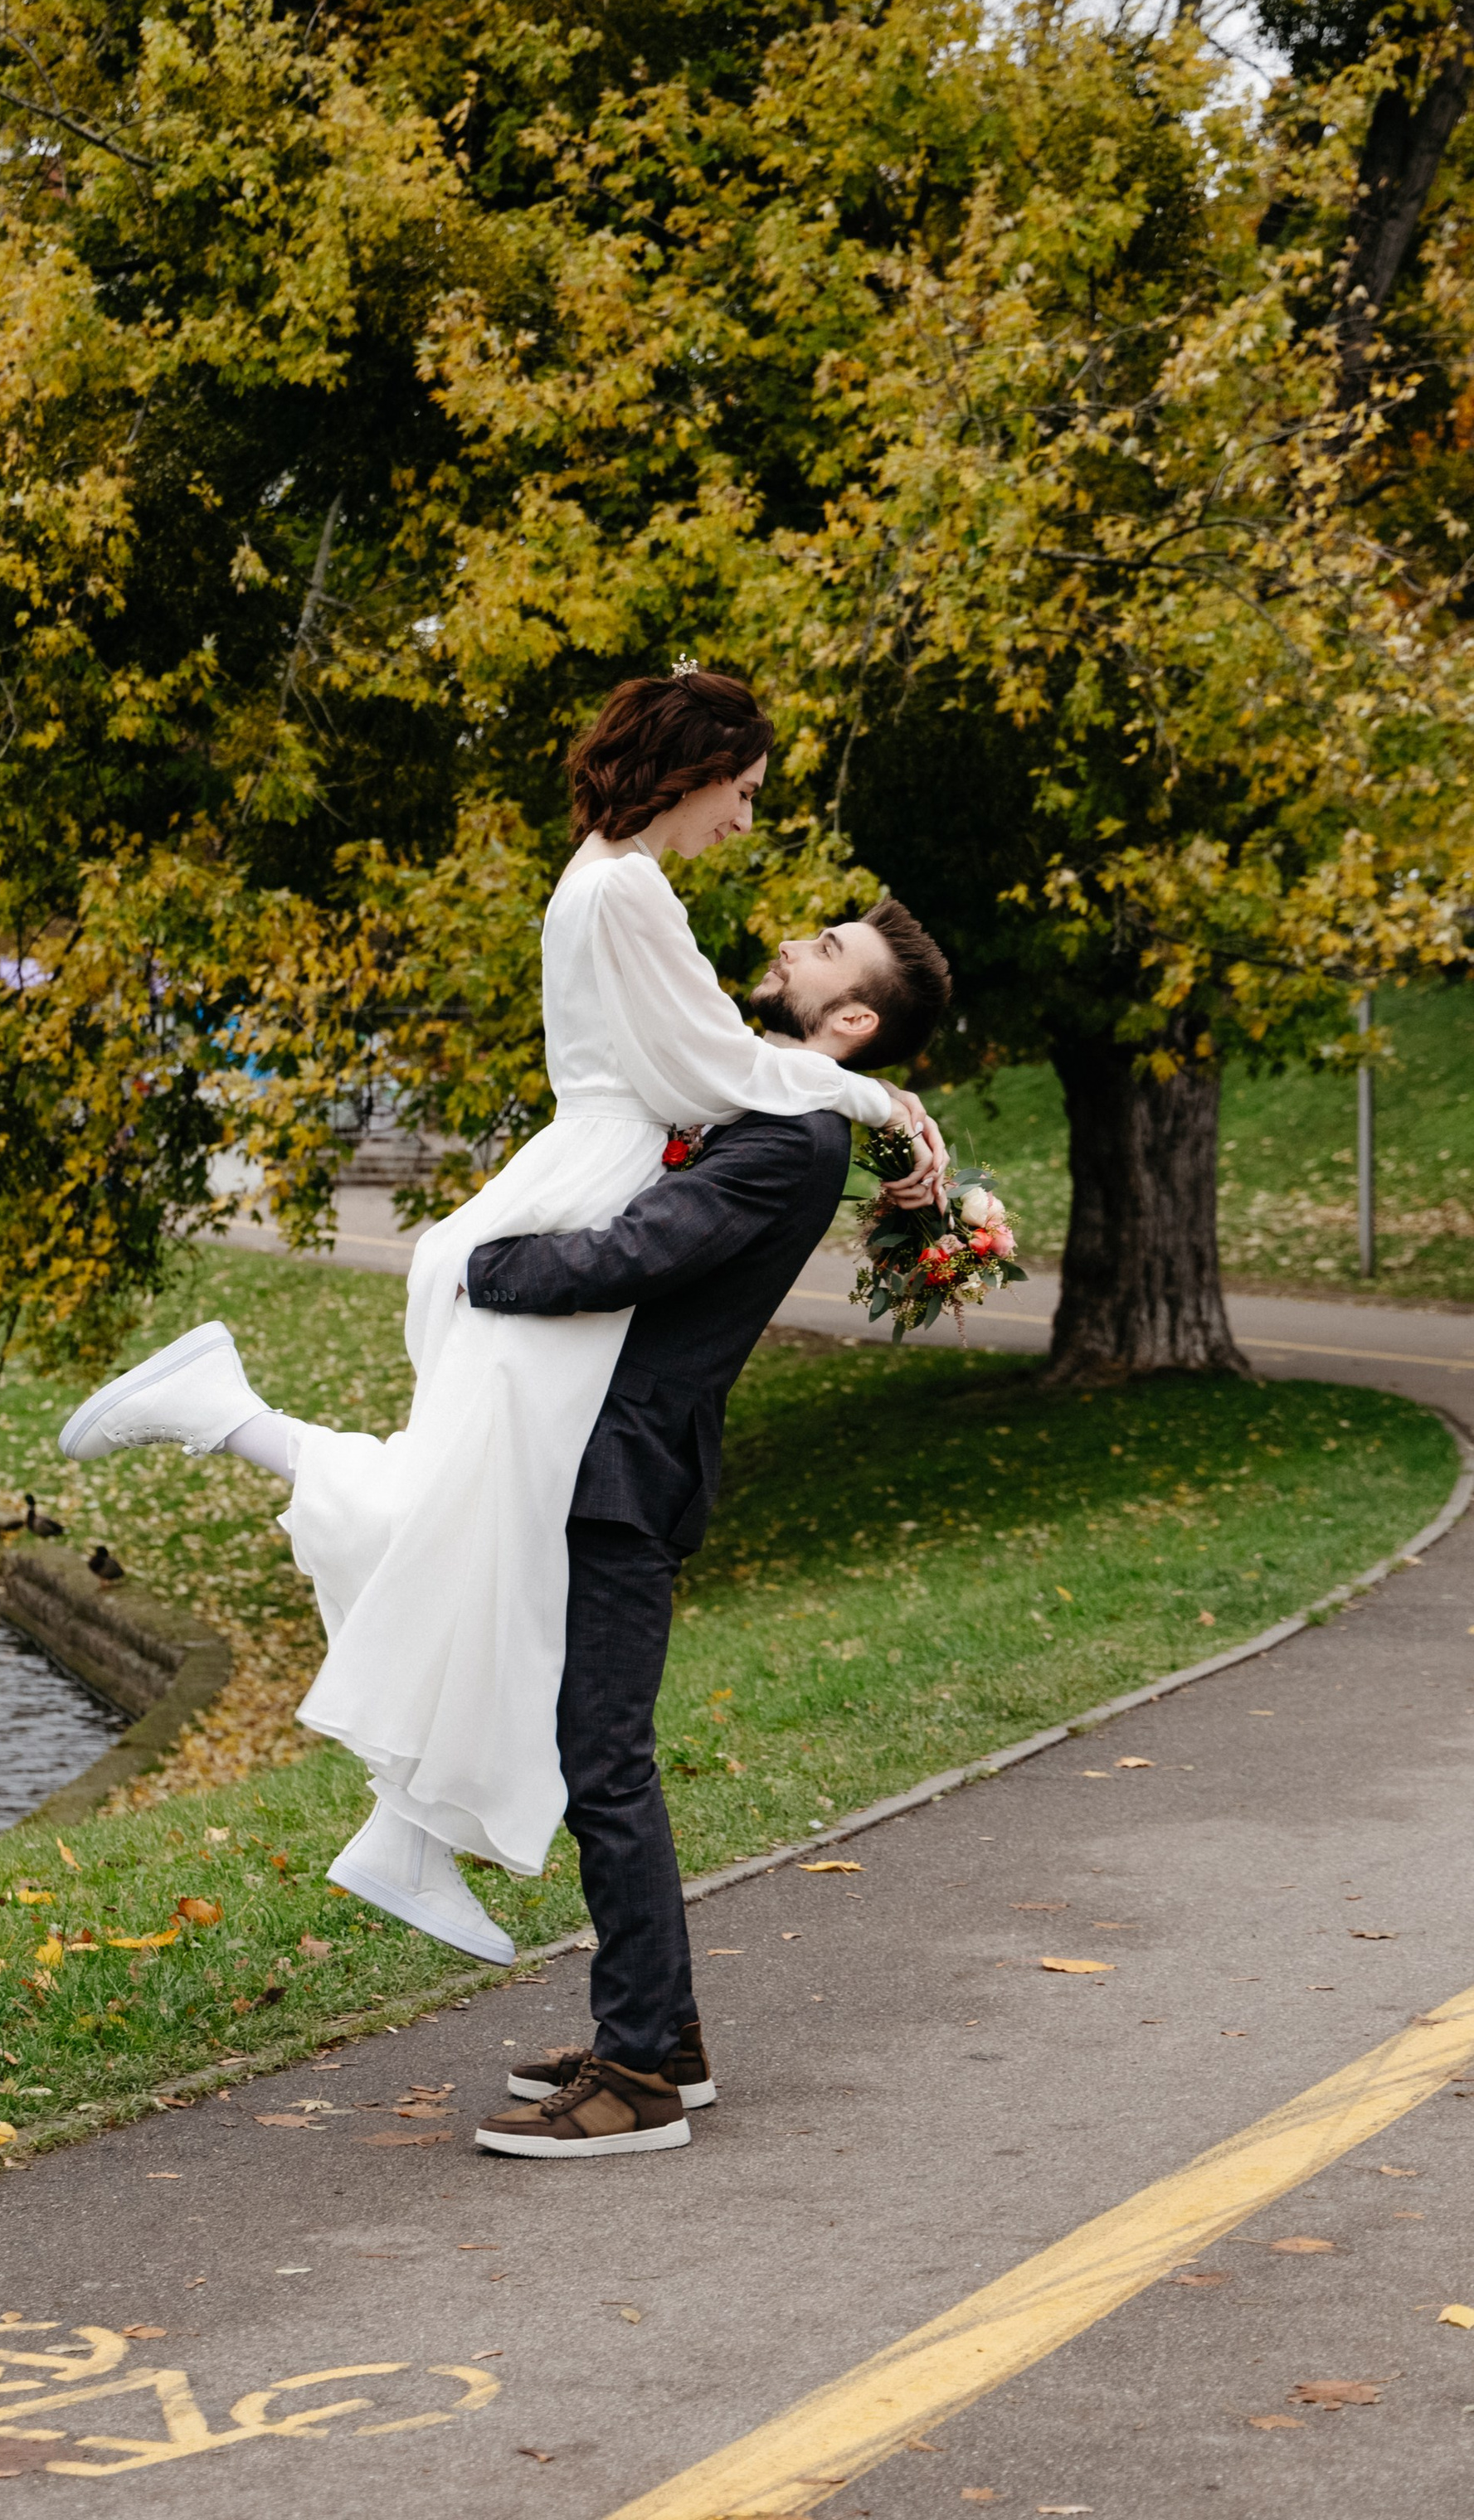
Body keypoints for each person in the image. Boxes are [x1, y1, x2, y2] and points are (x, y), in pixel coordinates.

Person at [61, 668, 947, 1966]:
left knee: (471, 1537)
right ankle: (227, 1418)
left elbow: (709, 1072)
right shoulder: (627, 888)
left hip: (573, 1188)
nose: (746, 824)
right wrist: (878, 1105)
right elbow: (708, 1074)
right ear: (693, 770)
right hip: (572, 1206)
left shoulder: (608, 879)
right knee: (459, 1532)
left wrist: (858, 1103)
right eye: (744, 794)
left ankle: (406, 1836)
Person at [466, 897, 951, 2158]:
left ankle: (636, 2079)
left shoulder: (791, 1138)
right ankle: (661, 2037)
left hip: (632, 1466)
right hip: (606, 1451)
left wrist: (478, 1262)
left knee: (605, 1755)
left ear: (851, 1018)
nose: (792, 943)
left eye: (826, 950)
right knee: (596, 1751)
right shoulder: (773, 1099)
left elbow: (637, 1251)